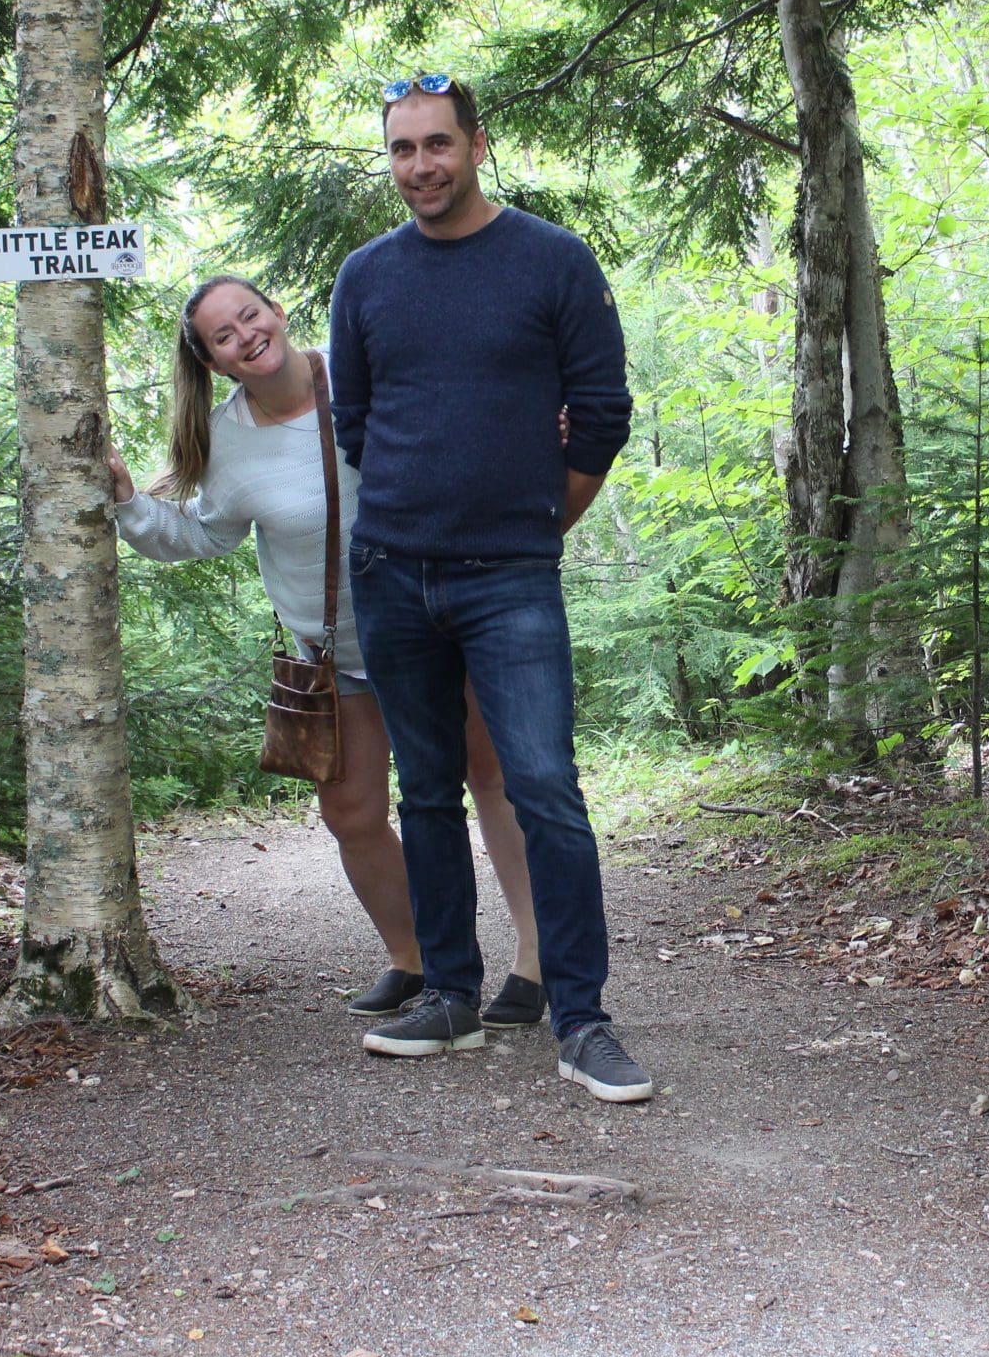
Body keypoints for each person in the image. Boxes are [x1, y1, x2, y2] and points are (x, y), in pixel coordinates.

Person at [107, 275, 548, 1028]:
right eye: (224, 334)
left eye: (250, 314)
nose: (246, 334)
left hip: (438, 622)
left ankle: (536, 962)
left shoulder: (361, 372)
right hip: (334, 652)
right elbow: (208, 533)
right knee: (350, 811)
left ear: (277, 312)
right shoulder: (225, 439)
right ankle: (417, 961)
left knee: (490, 776)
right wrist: (125, 501)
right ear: (213, 361)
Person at [330, 72, 650, 1104]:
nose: (418, 166)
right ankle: (451, 995)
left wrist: (533, 519)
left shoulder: (552, 260)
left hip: (509, 577)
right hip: (389, 572)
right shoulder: (365, 276)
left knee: (544, 787)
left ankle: (584, 1017)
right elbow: (358, 424)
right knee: (422, 790)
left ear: (476, 144)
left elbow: (601, 411)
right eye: (401, 150)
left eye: (435, 145)